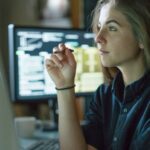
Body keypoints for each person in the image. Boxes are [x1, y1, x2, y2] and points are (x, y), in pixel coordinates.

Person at [45, 0, 150, 149]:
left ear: (141, 37)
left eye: (112, 28)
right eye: (99, 27)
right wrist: (64, 85)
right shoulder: (104, 94)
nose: (98, 38)